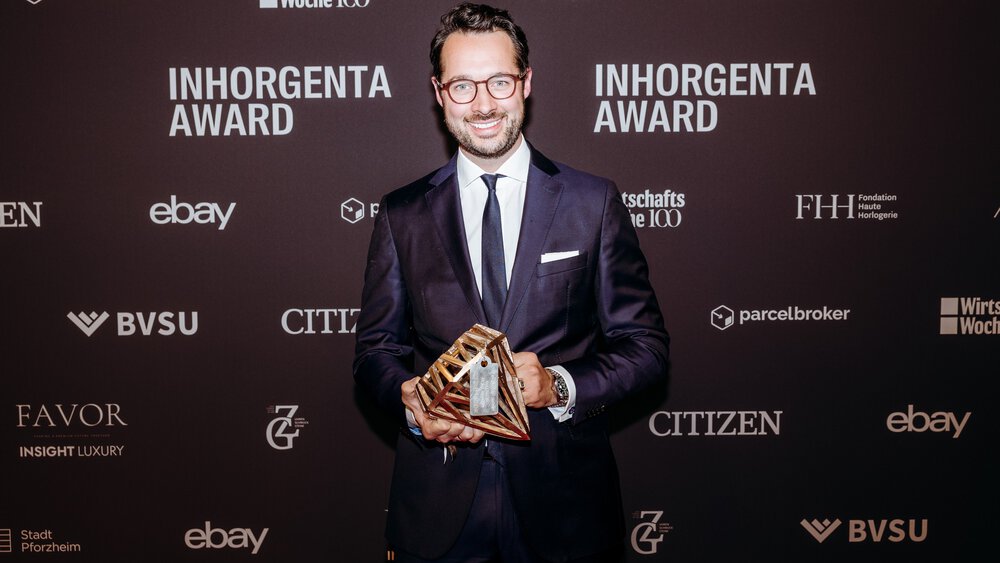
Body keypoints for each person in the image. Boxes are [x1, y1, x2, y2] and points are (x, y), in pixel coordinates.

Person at [353, 3, 669, 562]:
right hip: (437, 510)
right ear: (438, 91)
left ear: (526, 82)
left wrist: (559, 386)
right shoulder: (402, 213)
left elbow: (644, 351)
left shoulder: (591, 202)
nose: (482, 104)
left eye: (498, 80)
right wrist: (409, 401)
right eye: (462, 86)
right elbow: (376, 351)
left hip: (565, 510)